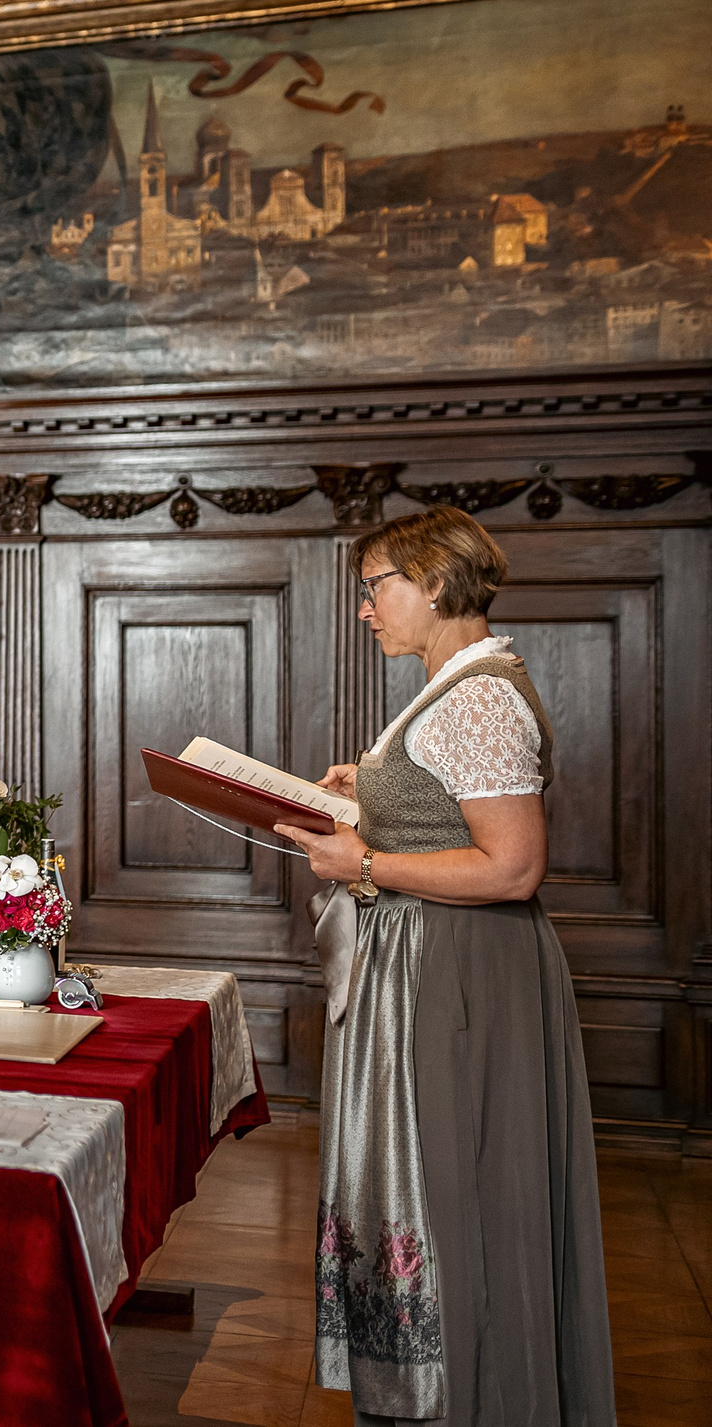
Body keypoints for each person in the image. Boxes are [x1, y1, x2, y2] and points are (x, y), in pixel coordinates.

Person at [273, 507, 611, 1425]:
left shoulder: (478, 697)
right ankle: (423, 1393)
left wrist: (365, 862)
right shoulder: (451, 687)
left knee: (459, 1191)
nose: (365, 610)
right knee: (433, 1188)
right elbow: (446, 807)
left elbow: (511, 866)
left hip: (459, 979)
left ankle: (474, 1395)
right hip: (433, 968)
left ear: (431, 581)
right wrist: (367, 787)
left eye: (374, 586)